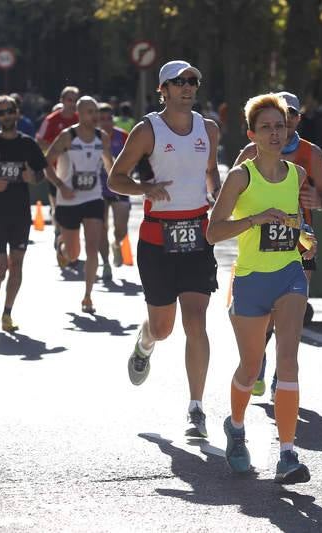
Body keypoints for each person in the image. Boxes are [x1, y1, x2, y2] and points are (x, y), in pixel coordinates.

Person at [108, 60, 221, 439]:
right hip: (158, 239)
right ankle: (144, 342)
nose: (188, 87)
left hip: (198, 236)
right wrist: (144, 190)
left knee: (196, 321)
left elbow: (210, 172)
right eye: (180, 82)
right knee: (163, 327)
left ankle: (196, 409)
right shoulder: (147, 129)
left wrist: (217, 194)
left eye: (193, 81)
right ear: (164, 89)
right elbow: (116, 179)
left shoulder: (209, 129)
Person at [207, 93, 315, 483]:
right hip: (251, 279)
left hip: (288, 274)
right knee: (251, 367)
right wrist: (254, 219)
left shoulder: (298, 175)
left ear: (289, 132)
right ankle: (236, 428)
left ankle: (287, 453)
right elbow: (213, 231)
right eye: (266, 127)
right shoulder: (241, 177)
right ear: (252, 134)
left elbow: (297, 229)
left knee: (288, 360)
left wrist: (305, 240)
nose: (275, 133)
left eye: (280, 126)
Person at [233, 90, 322, 399]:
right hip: (259, 246)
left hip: (299, 242)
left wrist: (317, 200)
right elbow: (232, 194)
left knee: (291, 316)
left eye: (291, 114)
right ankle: (258, 360)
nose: (285, 120)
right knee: (267, 317)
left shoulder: (310, 153)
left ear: (298, 119)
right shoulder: (251, 151)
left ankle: (281, 374)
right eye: (279, 113)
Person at [0, 95, 48, 332]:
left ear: (17, 112)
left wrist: (30, 177)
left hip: (20, 213)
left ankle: (7, 313)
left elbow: (41, 174)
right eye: (0, 112)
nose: (5, 116)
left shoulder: (27, 144)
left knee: (17, 265)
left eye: (9, 111)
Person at [44, 96, 113, 313]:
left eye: (96, 112)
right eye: (89, 112)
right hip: (68, 199)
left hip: (92, 198)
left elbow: (109, 165)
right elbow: (46, 162)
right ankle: (63, 249)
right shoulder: (68, 136)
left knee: (92, 248)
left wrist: (119, 184)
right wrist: (59, 186)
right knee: (74, 254)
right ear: (80, 114)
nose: (94, 117)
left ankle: (88, 296)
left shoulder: (102, 137)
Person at [36, 86, 80, 251]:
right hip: (56, 172)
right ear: (62, 101)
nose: (72, 103)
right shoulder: (52, 120)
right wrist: (57, 148)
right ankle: (58, 231)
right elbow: (39, 141)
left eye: (75, 100)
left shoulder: (80, 119)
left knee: (76, 207)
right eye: (69, 100)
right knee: (59, 207)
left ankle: (71, 240)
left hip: (78, 171)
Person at [98, 102, 131, 279]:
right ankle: (105, 263)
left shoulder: (123, 136)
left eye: (109, 118)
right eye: (101, 119)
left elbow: (135, 157)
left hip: (120, 188)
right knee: (101, 227)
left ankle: (116, 244)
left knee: (121, 229)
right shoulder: (92, 137)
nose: (105, 122)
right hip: (98, 189)